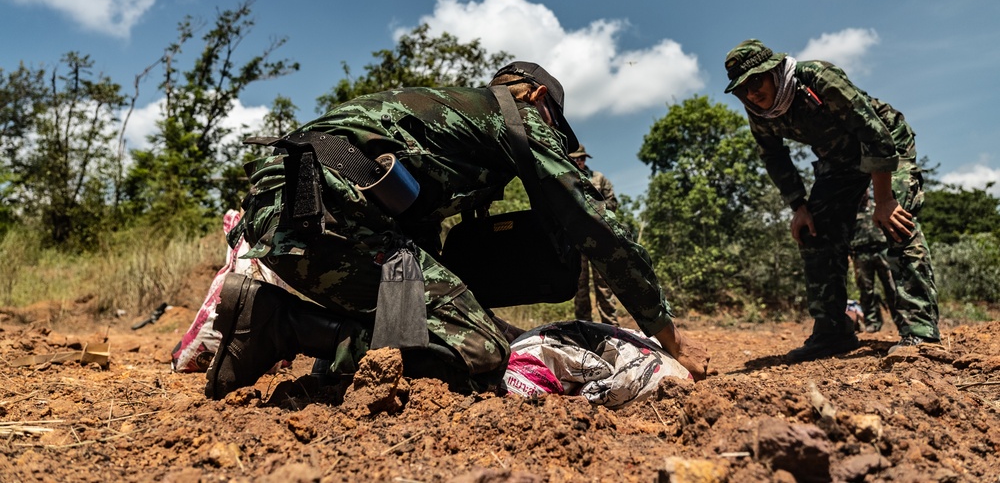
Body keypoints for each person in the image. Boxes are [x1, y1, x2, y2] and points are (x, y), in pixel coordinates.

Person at [205, 61, 710, 399]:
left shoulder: (444, 117)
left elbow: (415, 253)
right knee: (483, 353)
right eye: (555, 122)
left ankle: (304, 346)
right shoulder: (517, 118)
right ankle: (278, 322)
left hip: (292, 206)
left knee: (423, 339)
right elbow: (599, 227)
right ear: (537, 97)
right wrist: (667, 335)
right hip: (324, 212)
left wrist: (468, 314)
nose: (554, 135)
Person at [723, 39, 939, 362]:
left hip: (885, 144)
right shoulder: (759, 112)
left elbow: (873, 132)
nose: (752, 93)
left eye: (756, 81)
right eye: (743, 89)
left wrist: (883, 199)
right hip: (838, 162)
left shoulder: (818, 78)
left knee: (896, 220)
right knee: (815, 230)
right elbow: (774, 157)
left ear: (774, 71)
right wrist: (799, 206)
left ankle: (920, 331)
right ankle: (833, 332)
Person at [569, 145, 621, 326]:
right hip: (577, 240)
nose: (578, 162)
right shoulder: (566, 180)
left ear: (585, 159)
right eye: (574, 159)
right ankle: (585, 329)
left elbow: (613, 203)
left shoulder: (598, 178)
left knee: (604, 286)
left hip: (600, 239)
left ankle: (611, 328)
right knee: (579, 288)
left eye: (581, 158)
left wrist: (593, 210)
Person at [850, 189, 898, 333]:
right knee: (866, 290)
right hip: (861, 253)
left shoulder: (879, 203)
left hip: (883, 250)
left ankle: (901, 321)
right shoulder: (851, 209)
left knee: (892, 287)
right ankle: (872, 323)